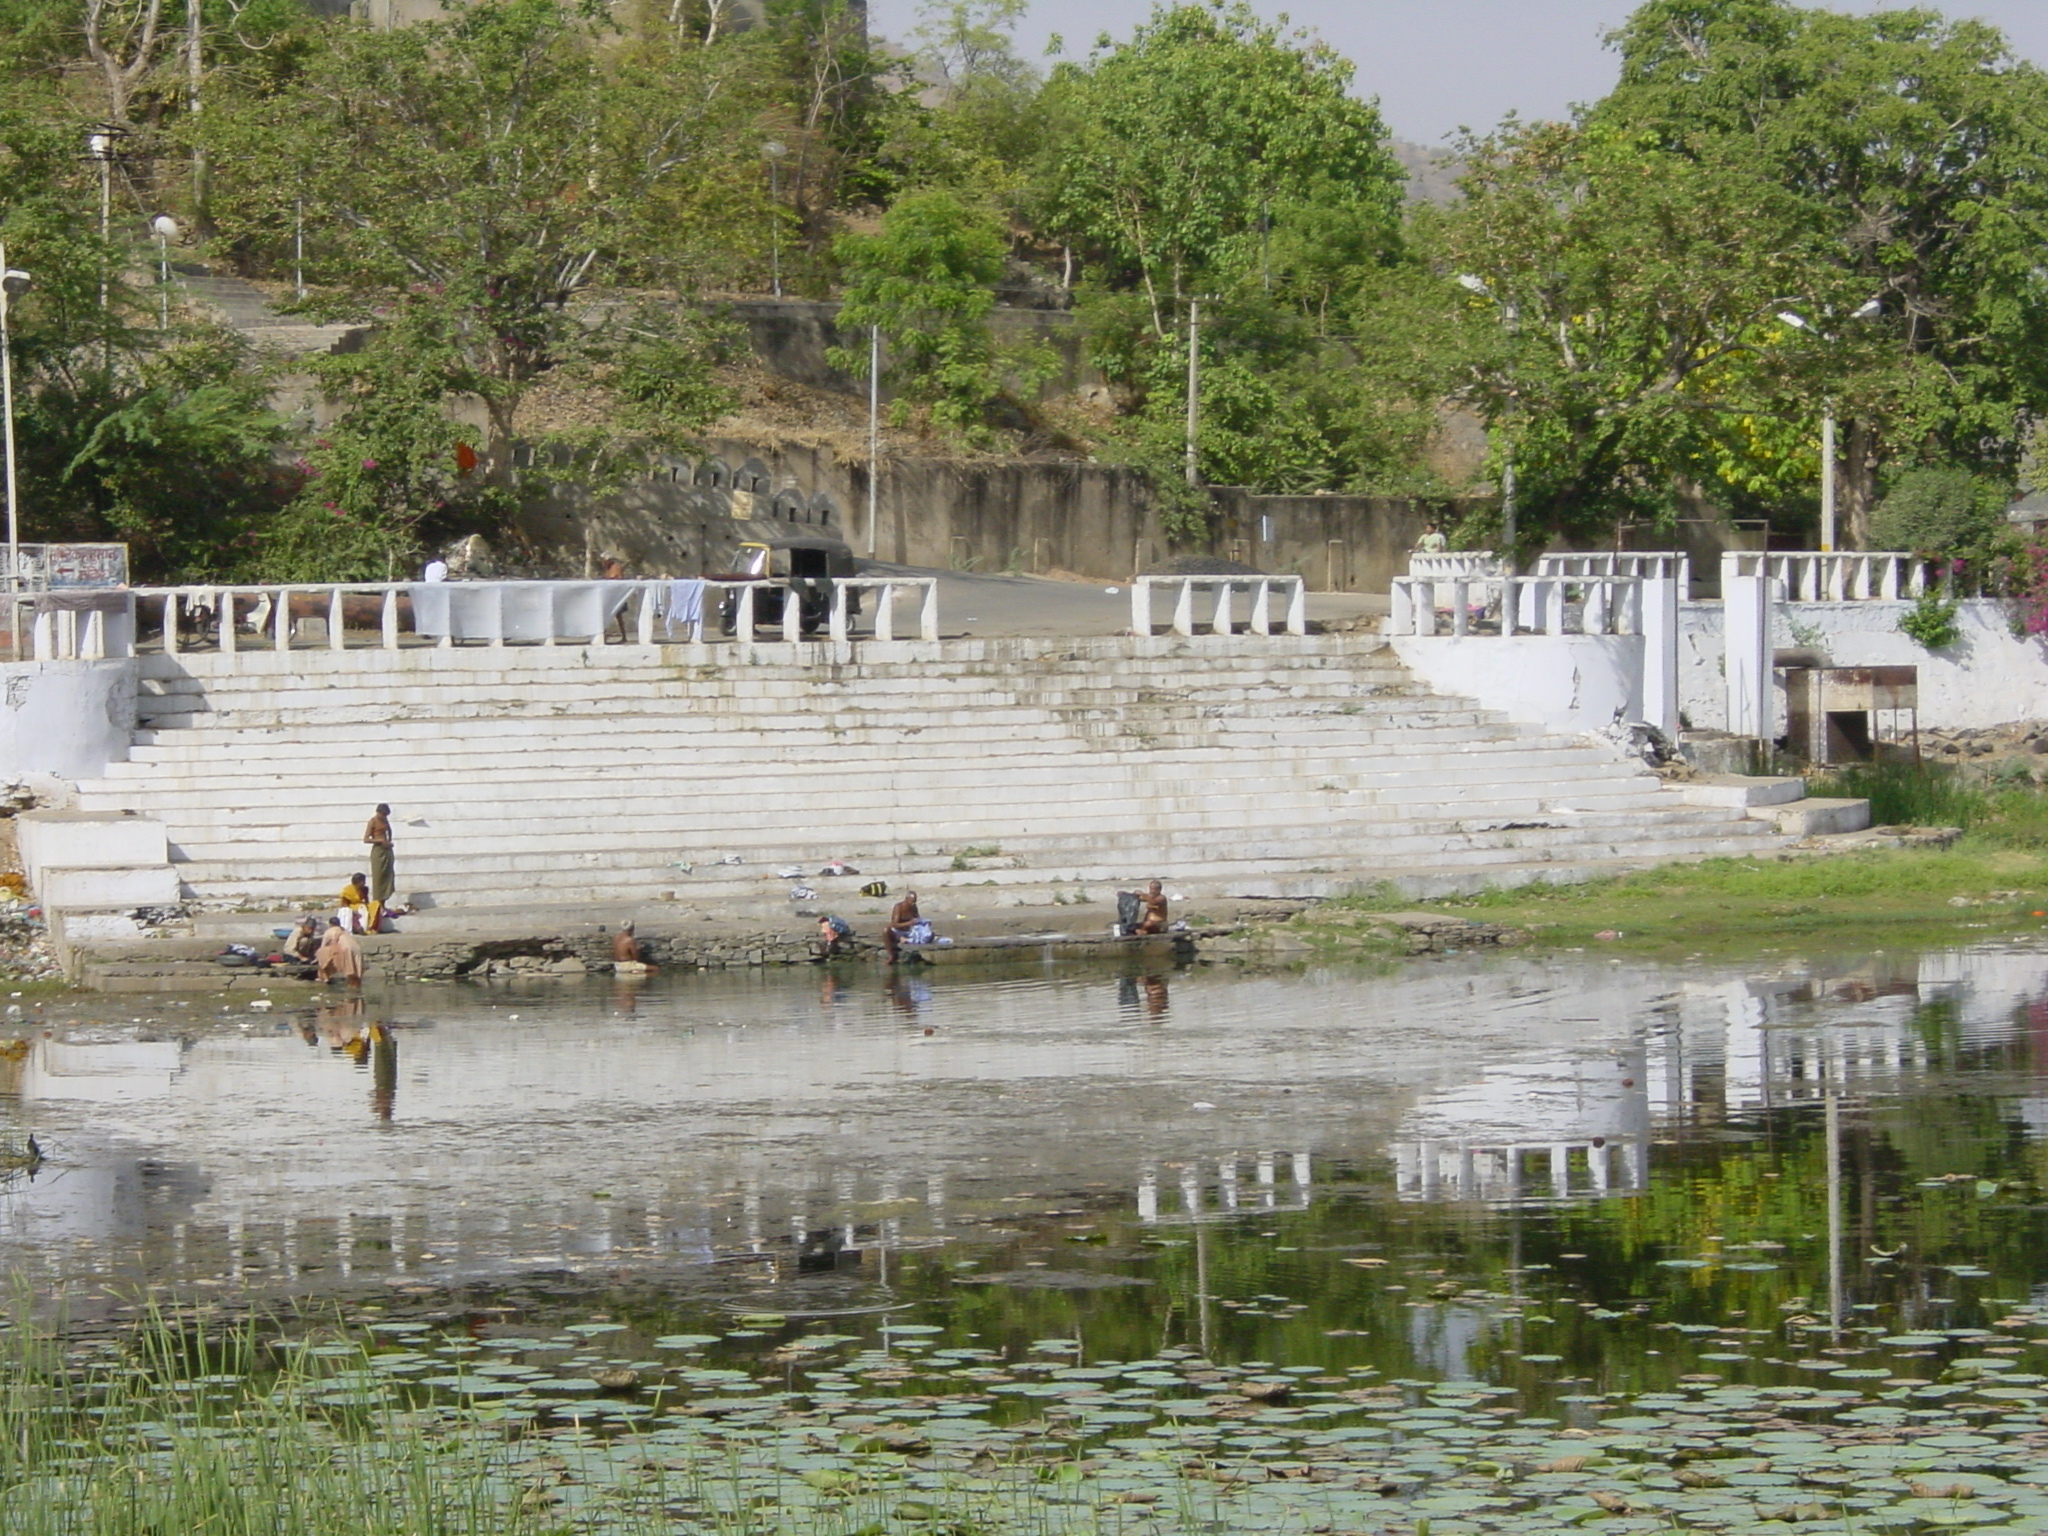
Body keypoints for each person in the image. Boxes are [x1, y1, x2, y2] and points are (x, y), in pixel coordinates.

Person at [315, 917, 364, 986]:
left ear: (330, 924)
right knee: (357, 974)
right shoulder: (345, 931)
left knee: (321, 953)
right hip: (357, 949)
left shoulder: (329, 931)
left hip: (346, 949)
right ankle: (356, 991)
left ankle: (324, 977)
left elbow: (323, 946)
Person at [364, 805, 395, 907]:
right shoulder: (372, 821)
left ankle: (383, 903)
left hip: (387, 850)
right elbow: (366, 839)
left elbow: (388, 832)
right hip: (378, 851)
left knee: (388, 877)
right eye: (382, 814)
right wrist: (380, 840)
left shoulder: (385, 820)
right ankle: (377, 904)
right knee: (378, 878)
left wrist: (388, 841)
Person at [883, 891, 924, 963]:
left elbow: (917, 918)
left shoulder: (914, 907)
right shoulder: (899, 907)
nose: (913, 904)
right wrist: (908, 923)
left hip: (909, 931)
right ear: (906, 899)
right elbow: (894, 924)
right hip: (898, 931)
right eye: (911, 902)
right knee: (886, 930)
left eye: (914, 902)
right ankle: (891, 956)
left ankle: (904, 939)